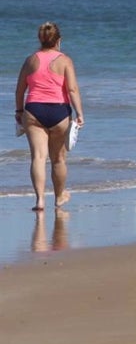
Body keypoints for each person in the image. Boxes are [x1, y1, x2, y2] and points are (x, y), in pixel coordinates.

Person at [15, 22, 84, 211]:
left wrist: (19, 112)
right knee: (58, 159)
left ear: (40, 39)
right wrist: (79, 113)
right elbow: (72, 89)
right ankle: (59, 196)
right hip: (59, 112)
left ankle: (40, 201)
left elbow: (20, 90)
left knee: (38, 157)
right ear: (58, 41)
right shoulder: (65, 60)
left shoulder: (30, 60)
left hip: (33, 111)